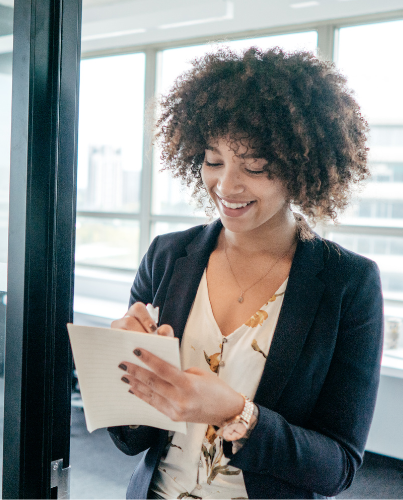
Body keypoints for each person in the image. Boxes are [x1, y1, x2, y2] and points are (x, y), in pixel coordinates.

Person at [108, 46, 383, 500]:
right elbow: (130, 438)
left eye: (255, 166)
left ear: (301, 168)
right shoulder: (167, 256)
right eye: (213, 161)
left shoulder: (347, 284)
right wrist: (125, 363)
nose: (227, 186)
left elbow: (338, 467)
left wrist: (238, 414)